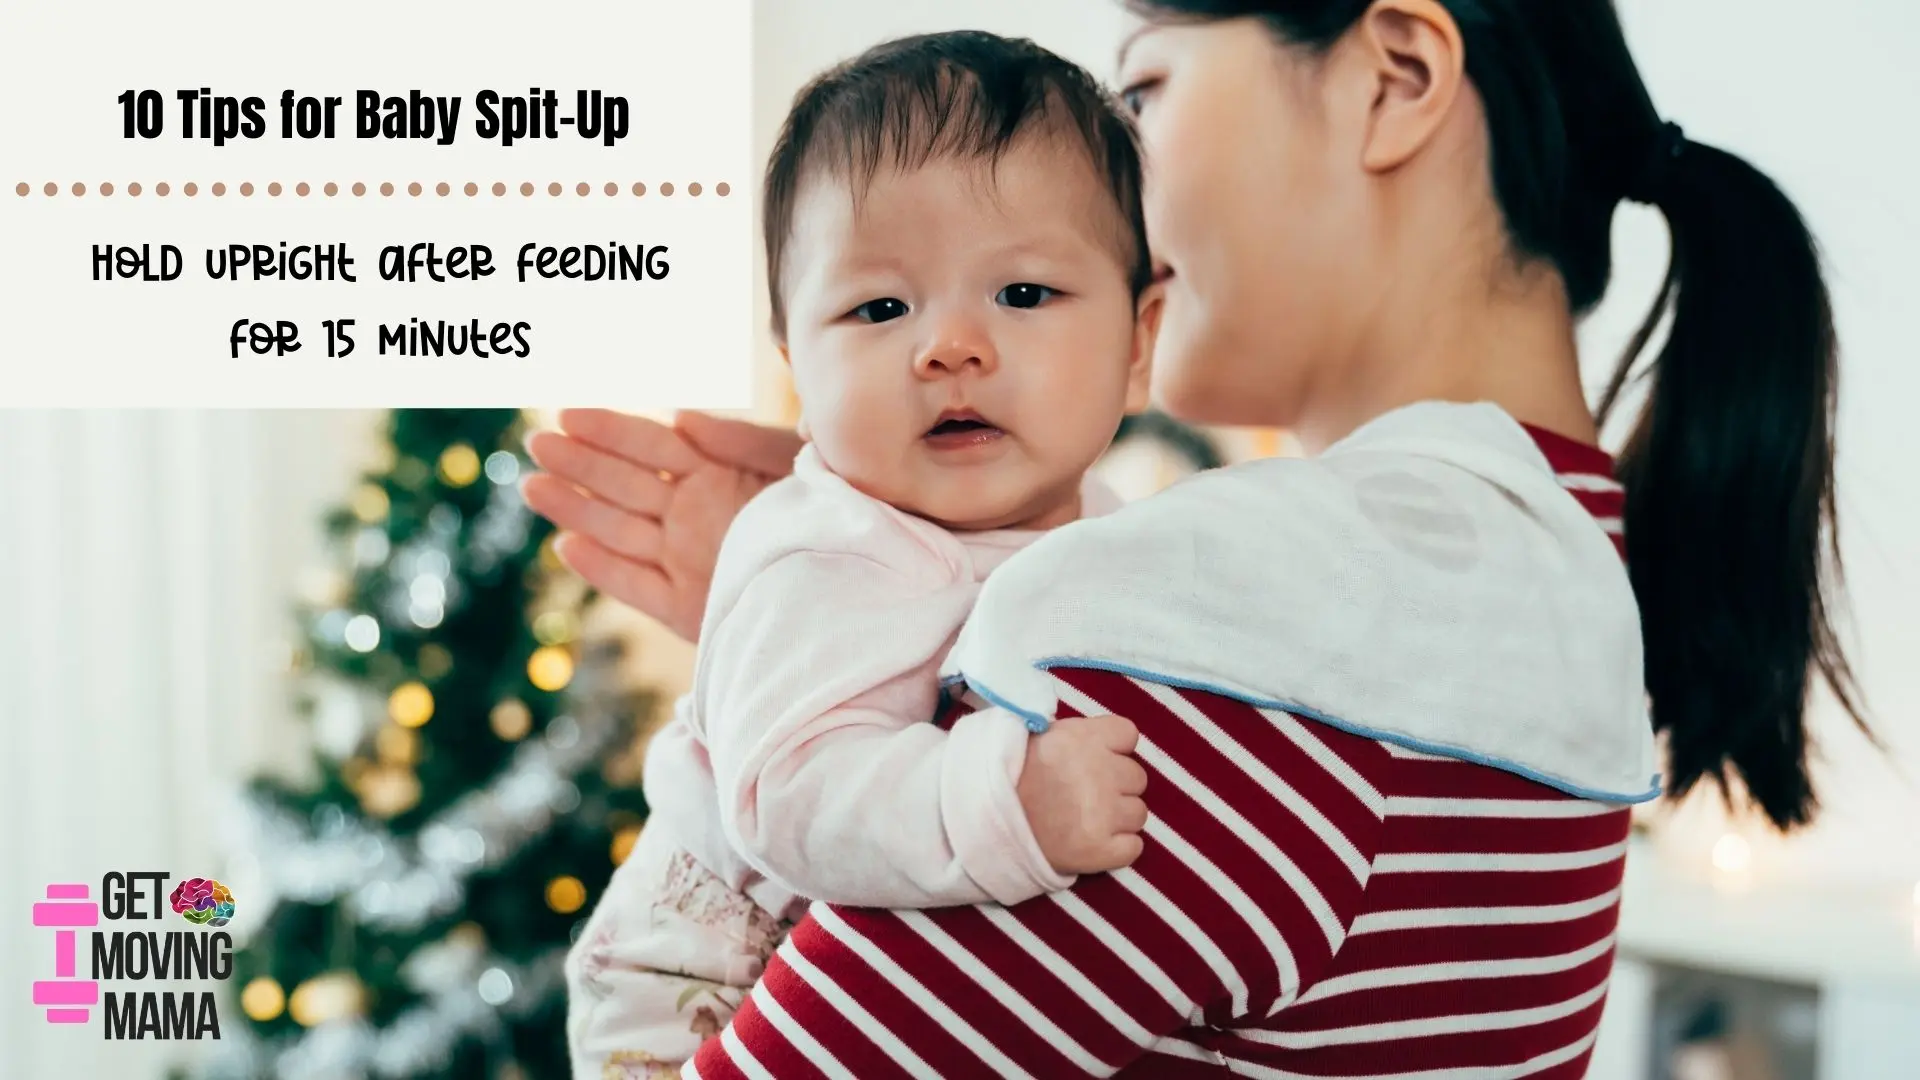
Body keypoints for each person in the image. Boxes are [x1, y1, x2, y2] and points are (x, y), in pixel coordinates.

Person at [525, 0, 1863, 1074]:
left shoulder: (1227, 622)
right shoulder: (1550, 565)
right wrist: (836, 616)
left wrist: (842, 633)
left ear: (1396, 76)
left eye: (1144, 92)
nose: (1117, 184)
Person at [559, 31, 1167, 1078]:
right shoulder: (813, 553)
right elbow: (788, 798)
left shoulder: (1120, 544)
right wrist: (1007, 802)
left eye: (1022, 294)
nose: (949, 348)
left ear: (1139, 340)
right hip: (696, 1004)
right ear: (797, 367)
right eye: (879, 309)